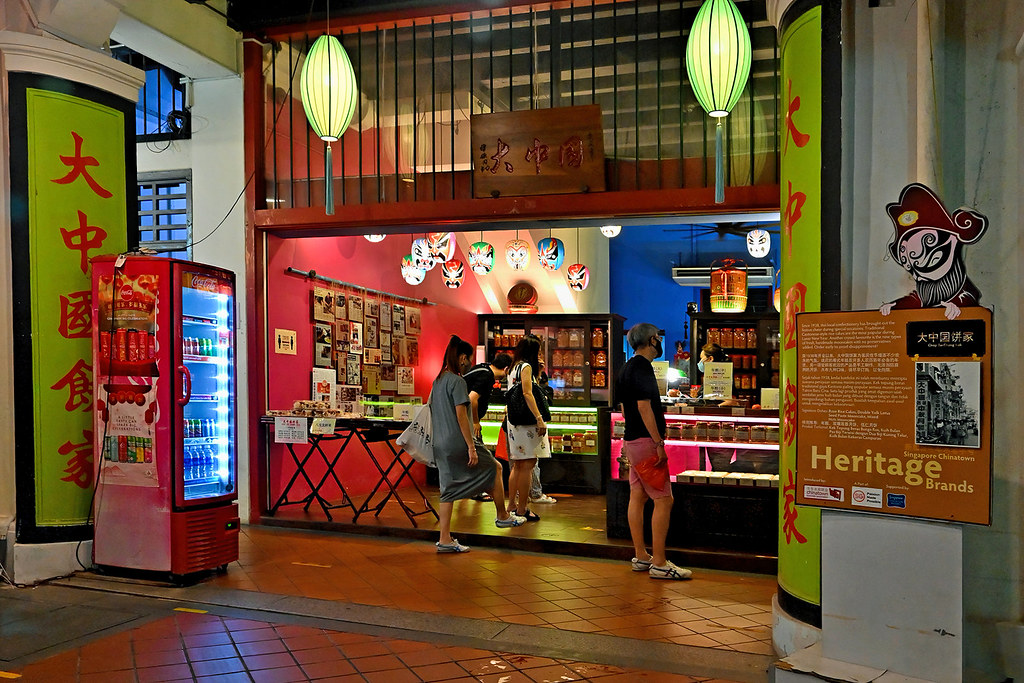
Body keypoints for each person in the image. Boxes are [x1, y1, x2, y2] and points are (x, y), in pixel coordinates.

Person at [431, 336, 525, 553]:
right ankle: (502, 515)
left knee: (447, 490)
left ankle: (444, 538)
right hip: (458, 441)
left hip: (440, 443)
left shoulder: (438, 381)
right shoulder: (457, 382)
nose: (469, 363)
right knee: (496, 467)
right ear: (462, 357)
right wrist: (471, 446)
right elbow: (461, 416)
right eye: (468, 359)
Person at [616, 322, 691, 580]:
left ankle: (641, 555)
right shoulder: (643, 368)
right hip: (646, 441)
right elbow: (644, 407)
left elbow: (626, 409)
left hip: (631, 440)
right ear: (651, 340)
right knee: (663, 499)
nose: (660, 341)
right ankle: (659, 561)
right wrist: (658, 442)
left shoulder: (626, 367)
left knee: (637, 495)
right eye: (658, 337)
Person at [505, 335, 551, 522]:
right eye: (538, 351)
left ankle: (512, 504)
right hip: (527, 422)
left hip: (514, 421)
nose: (540, 354)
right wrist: (539, 418)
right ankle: (523, 508)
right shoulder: (526, 367)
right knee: (528, 465)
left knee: (518, 465)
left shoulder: (513, 367)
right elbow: (527, 392)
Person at [464, 352, 513, 502]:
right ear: (506, 369)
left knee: (472, 455)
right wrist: (475, 421)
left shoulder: (482, 368)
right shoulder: (486, 377)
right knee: (479, 455)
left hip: (460, 419)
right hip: (466, 420)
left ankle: (473, 489)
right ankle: (477, 490)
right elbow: (472, 399)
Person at [530, 361, 557, 504]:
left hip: (519, 427)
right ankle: (535, 493)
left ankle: (521, 494)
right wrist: (540, 419)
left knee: (523, 462)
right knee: (532, 459)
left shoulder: (518, 371)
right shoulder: (528, 375)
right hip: (532, 425)